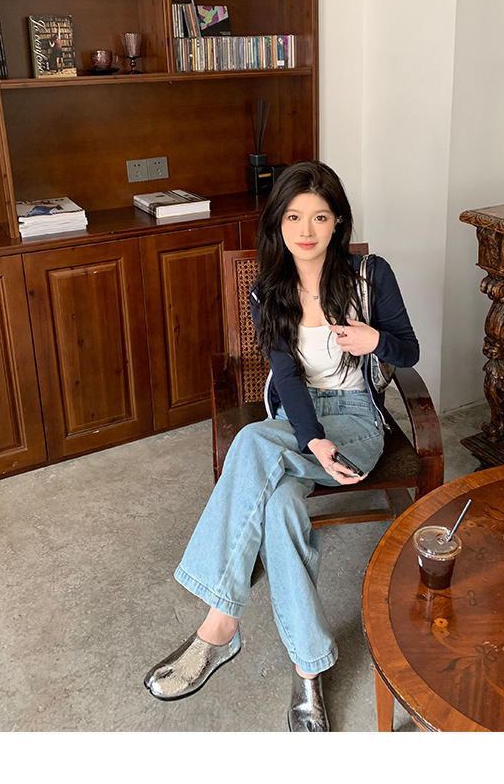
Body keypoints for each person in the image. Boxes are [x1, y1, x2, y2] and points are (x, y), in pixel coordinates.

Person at [144, 160, 419, 731]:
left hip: (356, 421)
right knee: (280, 506)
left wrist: (374, 339)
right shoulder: (268, 291)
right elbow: (287, 378)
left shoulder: (371, 276)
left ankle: (219, 627)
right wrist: (311, 439)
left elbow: (408, 351)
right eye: (294, 217)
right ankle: (308, 668)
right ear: (278, 223)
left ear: (337, 221)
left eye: (319, 216)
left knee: (250, 441)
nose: (306, 229)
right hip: (297, 422)